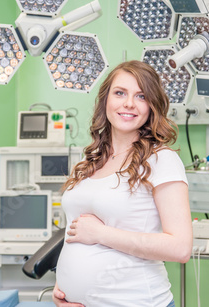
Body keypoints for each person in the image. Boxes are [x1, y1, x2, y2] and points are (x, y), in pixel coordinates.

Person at [53, 60, 192, 307]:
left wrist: (101, 233)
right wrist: (64, 288)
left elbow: (180, 248)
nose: (129, 103)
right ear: (106, 100)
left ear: (151, 106)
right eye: (120, 93)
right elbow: (75, 233)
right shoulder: (92, 159)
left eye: (141, 96)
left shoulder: (161, 160)